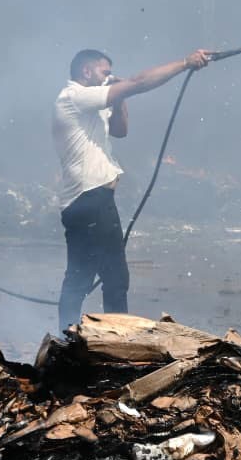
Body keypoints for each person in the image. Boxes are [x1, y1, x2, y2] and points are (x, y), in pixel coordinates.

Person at [52, 47, 213, 330]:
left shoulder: (91, 105)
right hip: (92, 200)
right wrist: (185, 62)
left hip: (87, 201)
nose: (110, 77)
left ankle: (67, 338)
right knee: (114, 278)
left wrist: (119, 95)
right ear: (86, 71)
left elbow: (120, 131)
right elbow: (139, 82)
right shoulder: (75, 96)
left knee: (81, 277)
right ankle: (117, 341)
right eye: (104, 72)